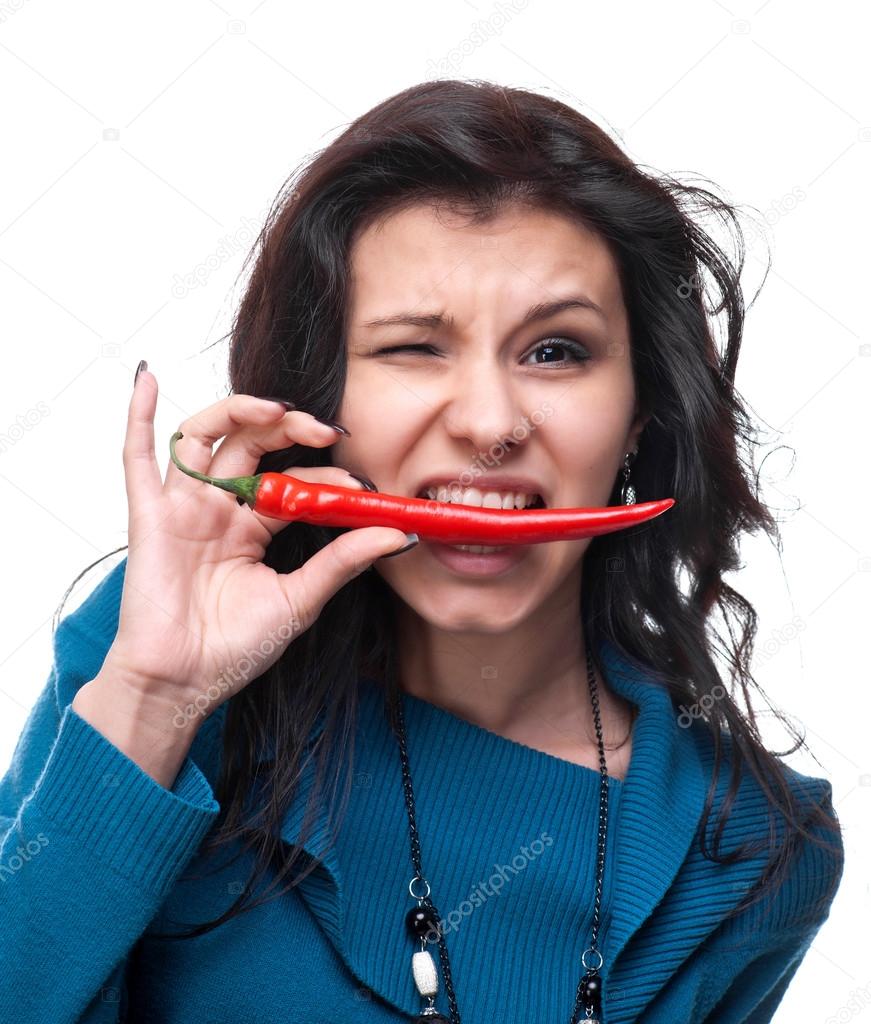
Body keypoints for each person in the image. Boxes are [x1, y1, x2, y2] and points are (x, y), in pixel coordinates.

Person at [0, 79, 843, 1024]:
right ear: (321, 401)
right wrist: (155, 701)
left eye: (556, 351)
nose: (489, 424)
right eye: (413, 348)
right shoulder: (147, 654)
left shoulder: (750, 852)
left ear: (638, 413)